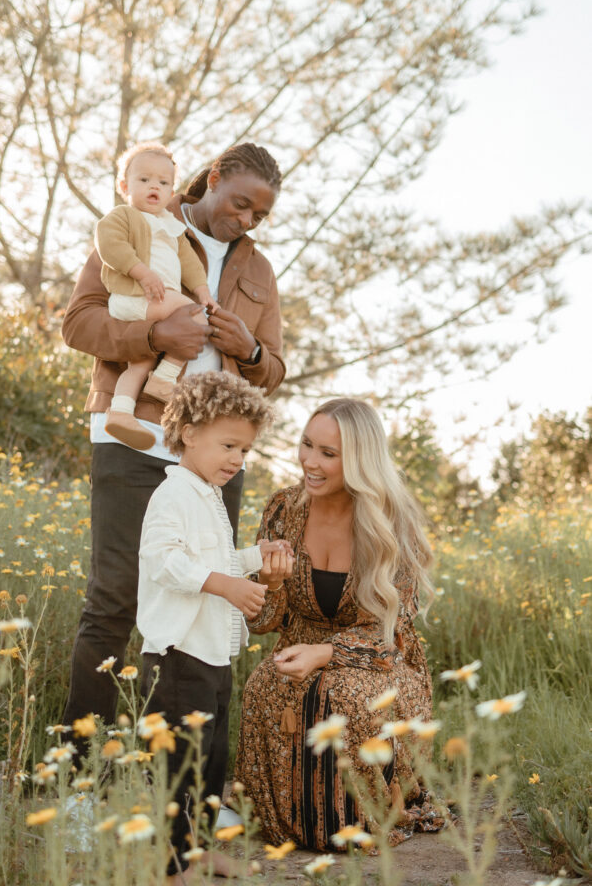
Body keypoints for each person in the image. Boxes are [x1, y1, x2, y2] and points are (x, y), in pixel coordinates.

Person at [61, 143, 284, 733]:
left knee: (215, 594)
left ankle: (189, 785)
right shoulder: (138, 221)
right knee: (115, 598)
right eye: (239, 205)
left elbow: (275, 368)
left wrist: (250, 349)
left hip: (214, 455)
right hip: (130, 431)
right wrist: (157, 335)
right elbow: (79, 321)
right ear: (211, 179)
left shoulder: (258, 270)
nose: (246, 220)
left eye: (259, 215)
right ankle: (80, 771)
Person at [234, 398, 447, 850]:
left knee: (344, 693)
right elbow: (263, 623)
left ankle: (360, 819)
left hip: (380, 660)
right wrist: (270, 585)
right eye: (306, 445)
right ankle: (290, 822)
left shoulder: (393, 520)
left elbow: (393, 630)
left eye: (328, 454)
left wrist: (328, 653)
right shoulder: (282, 509)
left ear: (359, 460)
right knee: (265, 684)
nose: (310, 461)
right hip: (300, 645)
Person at [138, 370, 289, 883]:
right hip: (178, 655)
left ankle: (198, 848)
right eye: (229, 446)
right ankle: (172, 863)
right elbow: (163, 560)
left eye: (244, 452)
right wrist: (225, 585)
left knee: (210, 760)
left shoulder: (208, 496)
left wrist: (252, 557)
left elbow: (216, 557)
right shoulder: (174, 495)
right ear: (189, 433)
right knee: (180, 763)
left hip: (212, 655)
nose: (237, 460)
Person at [95, 141, 218, 450]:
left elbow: (189, 263)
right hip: (134, 295)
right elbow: (110, 245)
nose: (155, 187)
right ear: (124, 185)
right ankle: (165, 379)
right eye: (145, 179)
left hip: (154, 304)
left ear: (172, 191)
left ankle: (121, 413)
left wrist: (204, 292)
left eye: (163, 183)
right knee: (193, 316)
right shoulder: (123, 216)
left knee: (139, 363)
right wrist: (142, 272)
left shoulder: (172, 226)